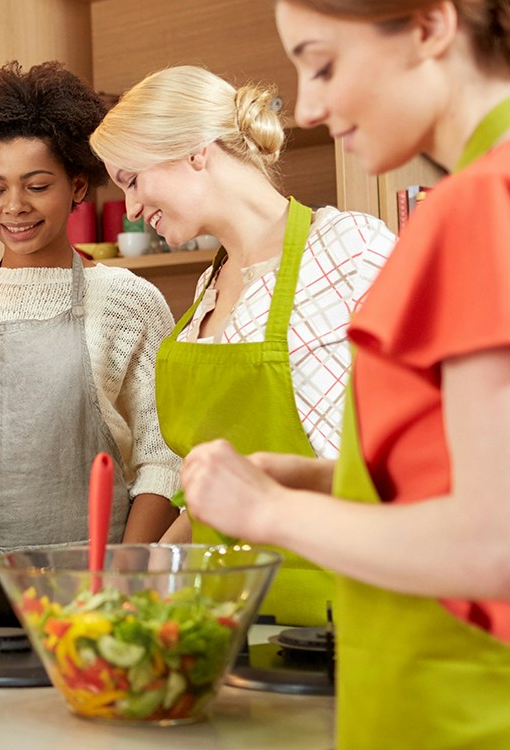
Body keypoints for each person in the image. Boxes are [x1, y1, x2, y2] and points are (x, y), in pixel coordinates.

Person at [178, 0, 510, 750]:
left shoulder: (482, 206)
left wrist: (269, 512)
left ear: (429, 26)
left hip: (478, 738)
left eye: (323, 63)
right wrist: (328, 479)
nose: (305, 107)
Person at [89, 65, 395, 624]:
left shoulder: (351, 251)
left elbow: (413, 458)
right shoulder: (207, 292)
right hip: (221, 623)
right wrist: (154, 563)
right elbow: (208, 493)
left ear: (194, 151)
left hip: (338, 621)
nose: (130, 209)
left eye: (132, 179)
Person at [0, 61, 180, 555]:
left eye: (37, 186)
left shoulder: (127, 301)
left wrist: (125, 573)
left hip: (90, 582)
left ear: (78, 187)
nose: (14, 206)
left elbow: (163, 458)